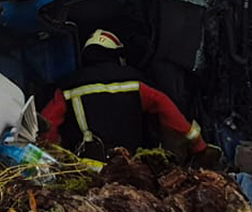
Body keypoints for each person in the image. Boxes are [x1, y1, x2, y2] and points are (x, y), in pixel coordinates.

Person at [39, 28, 219, 165]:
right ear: (117, 55)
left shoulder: (69, 88)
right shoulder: (136, 83)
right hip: (131, 167)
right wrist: (199, 147)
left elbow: (48, 124)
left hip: (88, 170)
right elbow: (171, 115)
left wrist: (54, 161)